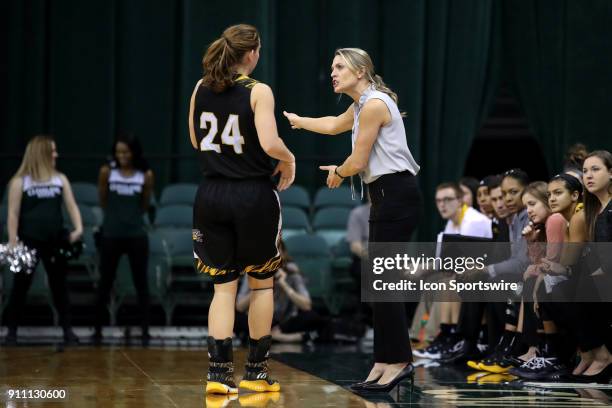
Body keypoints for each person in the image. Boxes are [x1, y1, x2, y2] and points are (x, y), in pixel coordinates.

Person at [283, 47, 421, 392]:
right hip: (385, 196)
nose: (333, 72)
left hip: (396, 194)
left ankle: (400, 361)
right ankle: (383, 359)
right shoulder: (361, 104)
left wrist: (339, 173)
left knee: (384, 283)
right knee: (377, 284)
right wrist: (300, 122)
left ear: (360, 71)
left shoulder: (374, 104)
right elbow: (332, 126)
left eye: (340, 67)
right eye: (332, 67)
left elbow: (357, 161)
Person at [189, 24, 295, 395]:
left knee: (222, 289)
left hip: (211, 193)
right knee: (262, 286)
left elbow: (194, 139)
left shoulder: (201, 87)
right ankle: (256, 372)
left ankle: (218, 375)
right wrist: (289, 157)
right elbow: (269, 142)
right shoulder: (258, 90)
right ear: (251, 54)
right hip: (251, 194)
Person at [3, 135, 82, 345]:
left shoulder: (59, 179)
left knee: (59, 287)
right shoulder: (20, 181)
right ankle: (11, 331)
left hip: (55, 241)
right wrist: (13, 239)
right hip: (29, 241)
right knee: (20, 287)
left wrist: (78, 228)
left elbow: (71, 205)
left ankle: (67, 330)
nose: (56, 155)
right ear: (41, 153)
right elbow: (13, 213)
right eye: (52, 151)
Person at [93, 134, 154, 345]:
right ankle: (97, 330)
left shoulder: (145, 175)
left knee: (141, 283)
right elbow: (102, 199)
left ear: (134, 152)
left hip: (136, 234)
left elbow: (145, 204)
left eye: (126, 152)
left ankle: (145, 330)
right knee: (105, 283)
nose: (122, 156)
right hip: (111, 234)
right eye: (118, 152)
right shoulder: (106, 173)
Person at [235, 240, 325, 343]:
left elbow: (306, 306)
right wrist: (260, 286)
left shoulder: (291, 272)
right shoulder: (253, 272)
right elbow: (240, 307)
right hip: (258, 320)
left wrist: (285, 285)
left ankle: (268, 336)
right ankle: (284, 337)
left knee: (312, 317)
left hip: (284, 323)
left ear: (283, 254)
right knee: (232, 316)